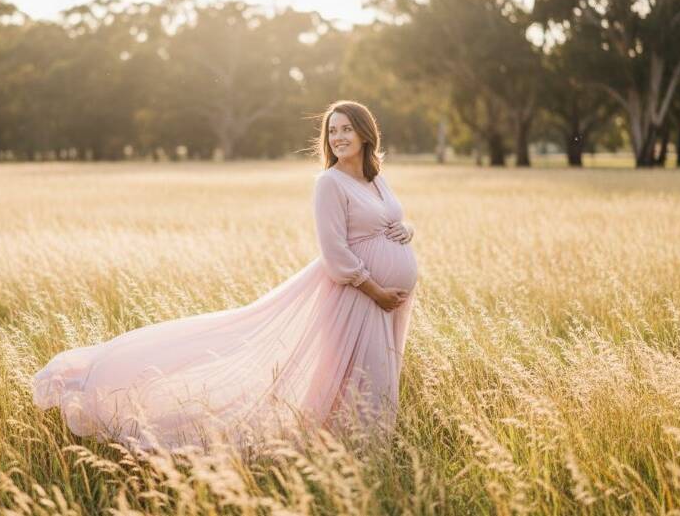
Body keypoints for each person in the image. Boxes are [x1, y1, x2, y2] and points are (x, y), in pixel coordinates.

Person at [31, 99, 419, 455]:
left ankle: (353, 453)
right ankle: (346, 451)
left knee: (373, 375)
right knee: (361, 376)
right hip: (357, 296)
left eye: (346, 129)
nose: (338, 138)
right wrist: (377, 290)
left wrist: (407, 230)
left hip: (386, 299)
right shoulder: (329, 183)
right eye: (332, 131)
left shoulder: (374, 177)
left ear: (366, 133)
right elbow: (335, 253)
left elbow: (386, 219)